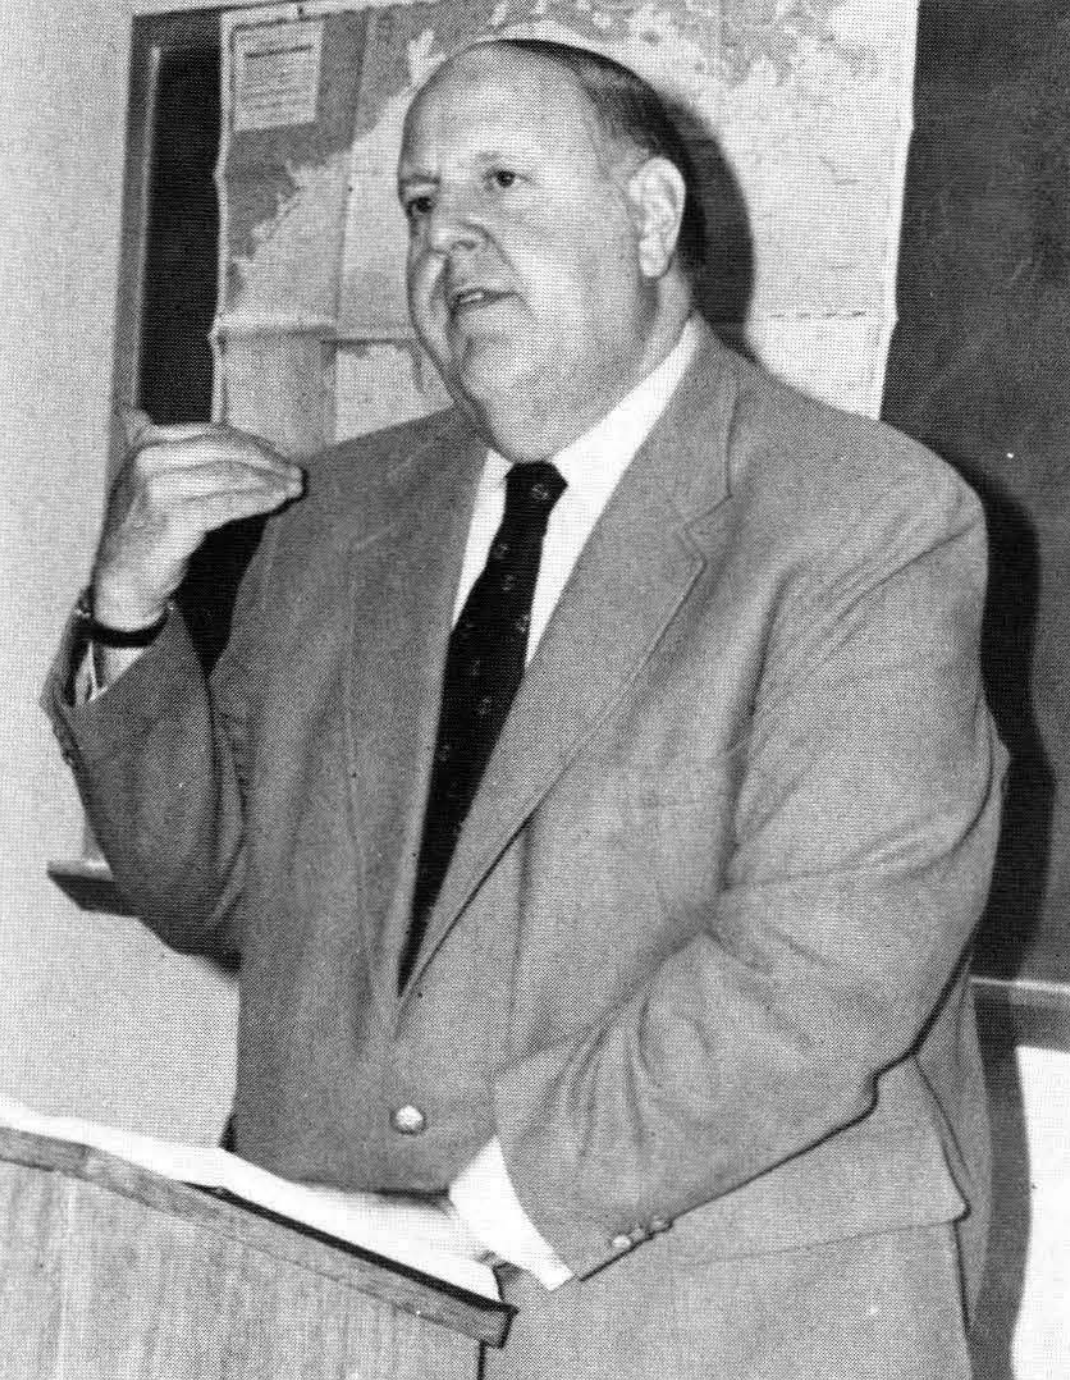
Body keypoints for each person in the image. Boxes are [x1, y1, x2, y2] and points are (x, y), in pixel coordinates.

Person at [46, 38, 1005, 1380]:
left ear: (650, 217)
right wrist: (133, 614)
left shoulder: (860, 522)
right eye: (421, 201)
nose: (452, 238)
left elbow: (820, 971)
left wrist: (474, 1219)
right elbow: (216, 894)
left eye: (503, 179)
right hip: (334, 1319)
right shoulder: (336, 518)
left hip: (713, 1326)